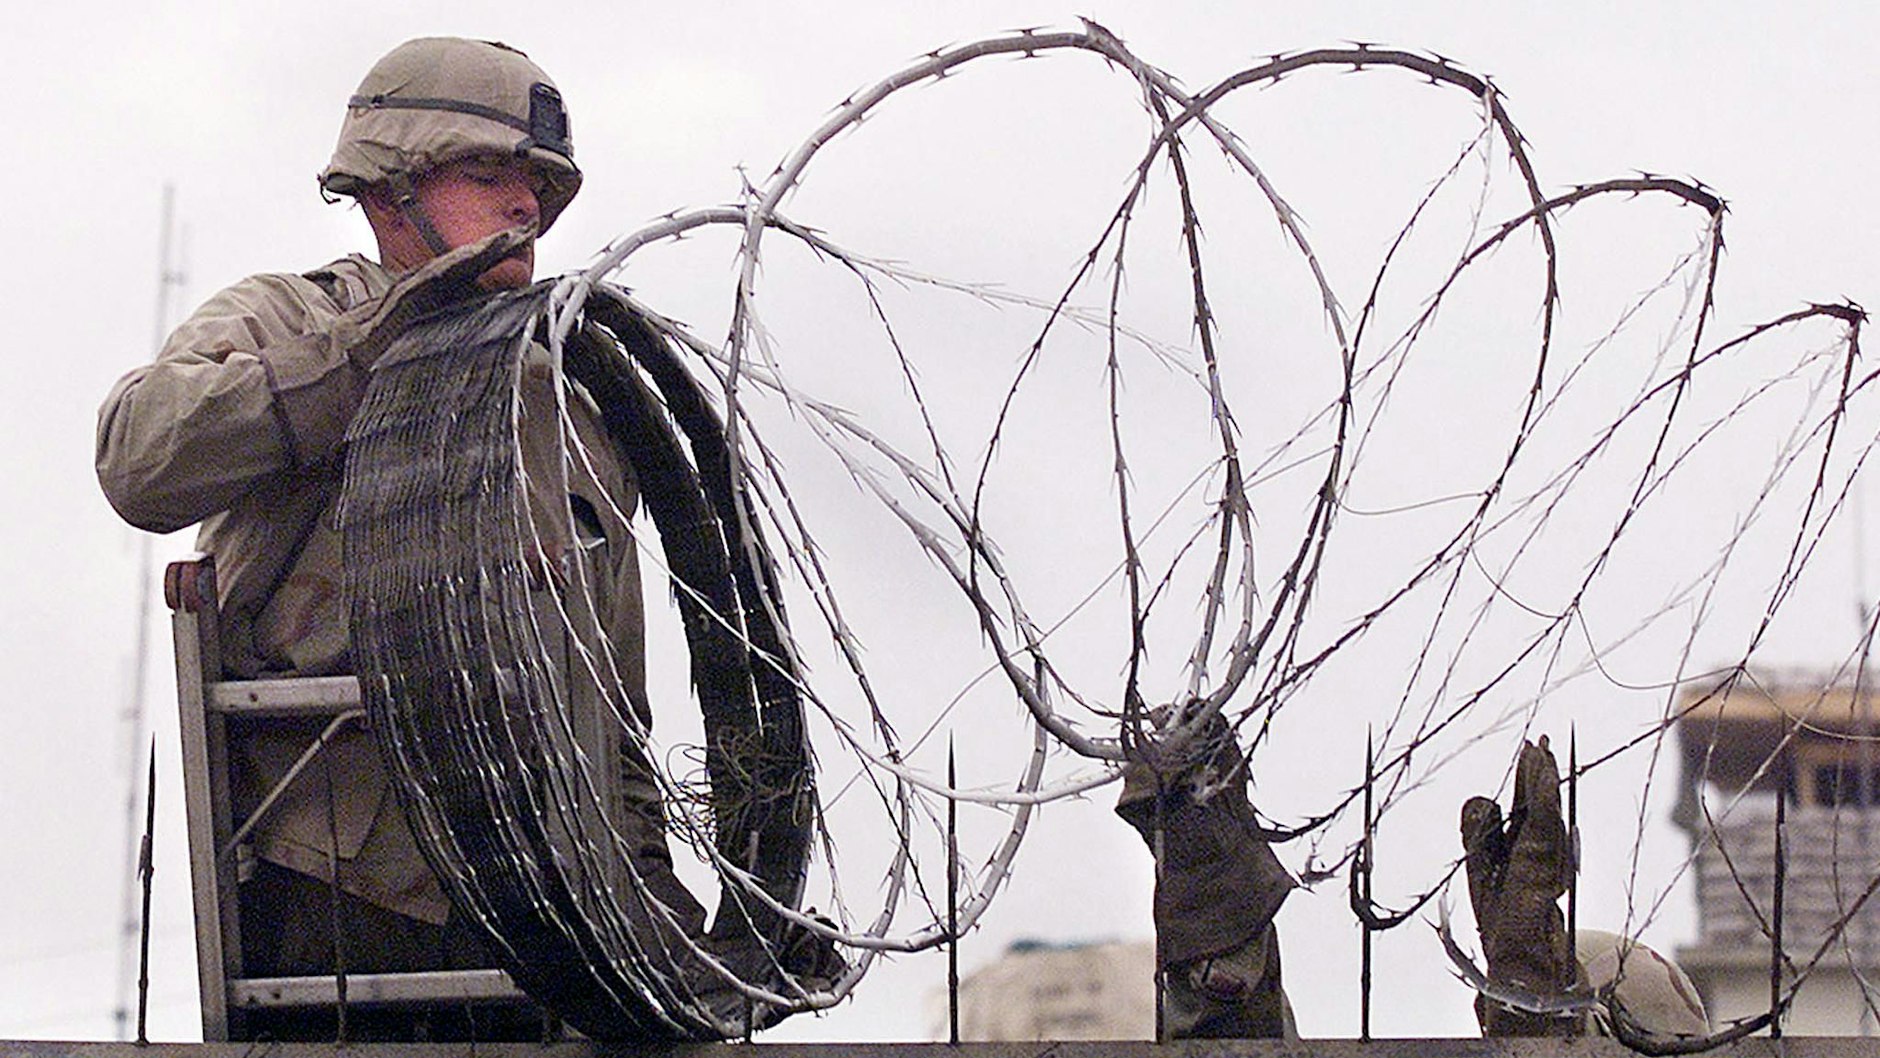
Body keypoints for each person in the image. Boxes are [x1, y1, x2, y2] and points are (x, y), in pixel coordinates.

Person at [96, 37, 665, 1040]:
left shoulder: (571, 400)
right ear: (389, 190)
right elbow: (140, 459)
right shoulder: (293, 320)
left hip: (549, 900)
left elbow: (615, 705)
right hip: (335, 895)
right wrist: (368, 354)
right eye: (487, 176)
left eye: (538, 186)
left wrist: (659, 915)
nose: (524, 205)